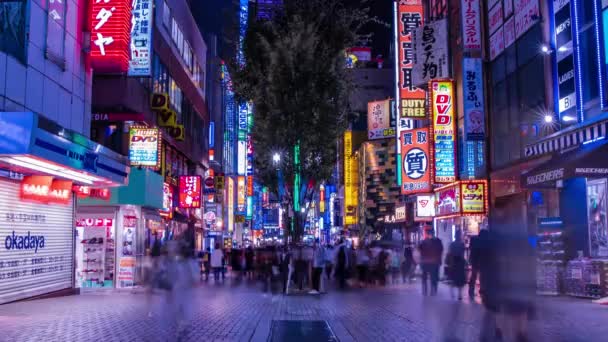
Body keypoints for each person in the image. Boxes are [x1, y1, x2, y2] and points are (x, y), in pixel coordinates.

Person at [418, 229, 443, 296]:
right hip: (434, 262)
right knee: (434, 276)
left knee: (424, 276)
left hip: (425, 262)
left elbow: (420, 249)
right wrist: (439, 260)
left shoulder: (424, 241)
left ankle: (425, 290)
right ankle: (433, 290)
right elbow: (440, 251)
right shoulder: (438, 241)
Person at [446, 231, 467, 300]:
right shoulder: (462, 244)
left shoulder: (452, 244)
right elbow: (463, 254)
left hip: (453, 262)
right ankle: (459, 294)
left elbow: (450, 253)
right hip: (460, 262)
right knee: (460, 279)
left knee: (453, 278)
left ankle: (452, 293)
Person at [468, 231, 482, 298]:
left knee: (473, 276)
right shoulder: (482, 241)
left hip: (474, 261)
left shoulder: (474, 240)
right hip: (480, 261)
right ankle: (481, 290)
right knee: (482, 276)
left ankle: (471, 291)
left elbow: (471, 250)